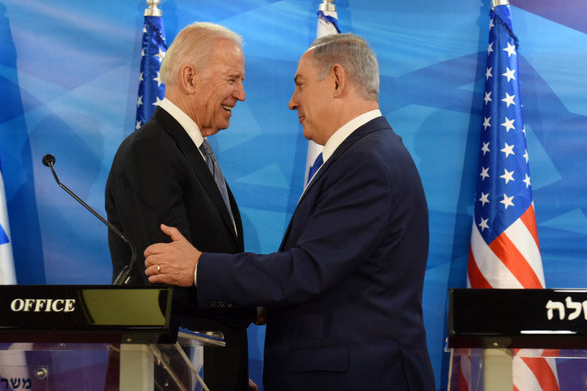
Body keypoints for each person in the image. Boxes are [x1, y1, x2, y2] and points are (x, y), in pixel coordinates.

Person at [143, 33, 436, 391]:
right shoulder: (366, 155)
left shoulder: (367, 162)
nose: (292, 102)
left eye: (299, 85)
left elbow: (309, 268)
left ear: (337, 80)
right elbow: (332, 273)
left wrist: (198, 267)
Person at [105, 22, 256, 391]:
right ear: (189, 77)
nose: (242, 94)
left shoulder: (189, 151)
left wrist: (229, 370)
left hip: (204, 368)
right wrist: (255, 296)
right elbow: (168, 279)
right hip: (175, 376)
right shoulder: (152, 151)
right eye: (233, 79)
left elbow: (201, 262)